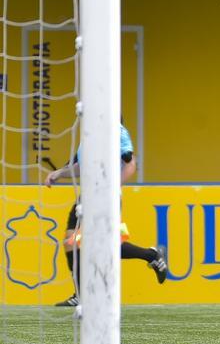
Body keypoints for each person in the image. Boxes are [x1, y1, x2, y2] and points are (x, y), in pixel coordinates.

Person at [45, 122, 167, 306]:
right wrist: (58, 173)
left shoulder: (116, 130)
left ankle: (151, 255)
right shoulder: (88, 136)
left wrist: (112, 187)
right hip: (87, 197)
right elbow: (80, 166)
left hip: (106, 196)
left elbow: (130, 162)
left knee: (106, 246)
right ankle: (81, 295)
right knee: (71, 240)